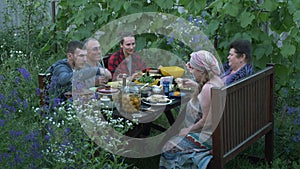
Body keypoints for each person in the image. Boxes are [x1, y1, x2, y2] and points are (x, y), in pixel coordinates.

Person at [160, 50, 224, 169]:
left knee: (168, 147)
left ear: (201, 70)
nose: (192, 72)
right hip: (220, 133)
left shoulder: (207, 89)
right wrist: (196, 86)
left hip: (209, 138)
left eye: (193, 69)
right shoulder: (217, 81)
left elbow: (206, 122)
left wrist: (188, 130)